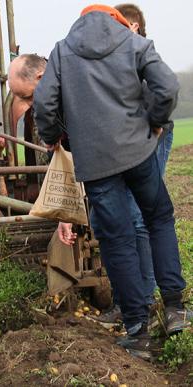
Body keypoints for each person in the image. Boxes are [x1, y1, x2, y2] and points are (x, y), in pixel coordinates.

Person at [32, 4, 190, 359]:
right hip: (139, 152)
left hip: (96, 163)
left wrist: (54, 134)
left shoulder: (62, 50)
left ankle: (138, 331)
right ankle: (176, 308)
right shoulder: (131, 41)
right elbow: (166, 84)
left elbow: (44, 102)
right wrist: (155, 120)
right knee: (158, 218)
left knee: (116, 239)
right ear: (116, 20)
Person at [91, 2, 175, 326]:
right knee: (128, 217)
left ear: (133, 27)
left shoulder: (138, 51)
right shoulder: (121, 55)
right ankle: (135, 302)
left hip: (150, 135)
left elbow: (162, 91)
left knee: (140, 216)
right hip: (130, 140)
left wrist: (154, 122)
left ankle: (146, 302)